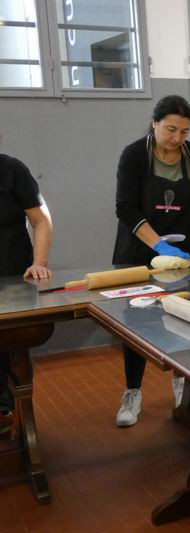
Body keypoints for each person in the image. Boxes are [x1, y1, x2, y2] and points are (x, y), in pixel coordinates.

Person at [113, 95, 190, 427]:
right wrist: (159, 246)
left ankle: (182, 383)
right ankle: (132, 392)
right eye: (171, 129)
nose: (177, 138)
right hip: (139, 253)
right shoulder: (134, 155)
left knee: (186, 318)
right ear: (155, 123)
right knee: (136, 323)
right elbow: (125, 208)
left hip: (188, 256)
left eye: (184, 132)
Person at [0, 150, 53, 434]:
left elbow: (41, 220)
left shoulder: (12, 170)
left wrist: (39, 263)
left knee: (14, 347)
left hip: (12, 280)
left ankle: (12, 409)